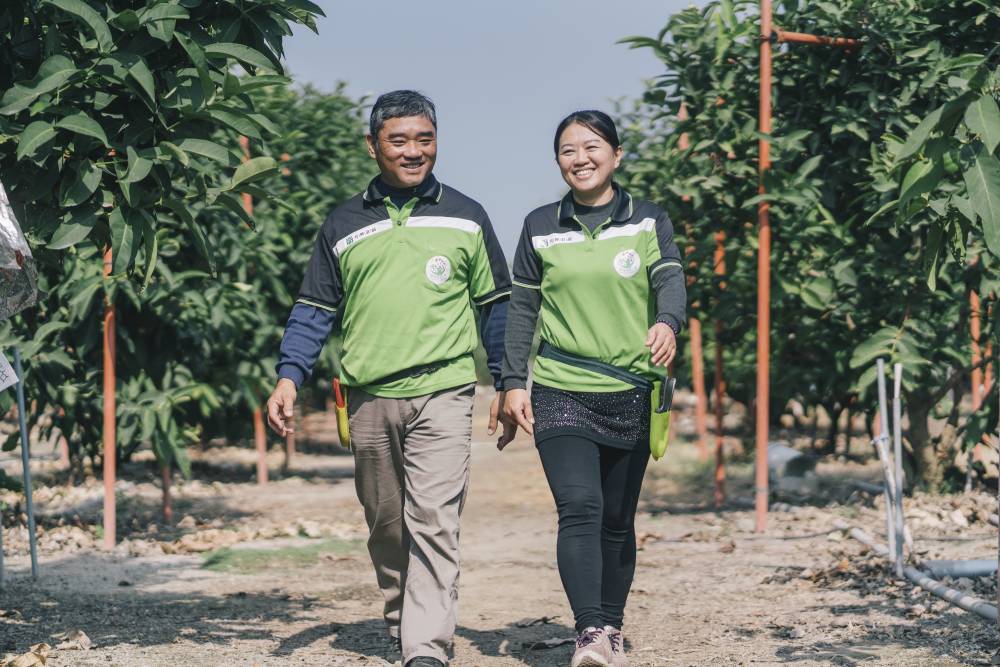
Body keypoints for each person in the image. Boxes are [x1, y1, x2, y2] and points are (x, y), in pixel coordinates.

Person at [266, 90, 513, 667]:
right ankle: (403, 617)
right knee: (386, 523)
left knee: (433, 517)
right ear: (373, 146)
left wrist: (506, 381)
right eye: (399, 140)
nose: (413, 151)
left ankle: (426, 646)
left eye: (424, 139)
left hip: (444, 389)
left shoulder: (468, 216)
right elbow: (313, 310)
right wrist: (288, 378)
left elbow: (496, 306)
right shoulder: (342, 223)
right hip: (369, 397)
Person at [499, 110, 686, 667]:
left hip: (631, 387)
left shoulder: (648, 221)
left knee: (615, 518)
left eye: (591, 146)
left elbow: (669, 280)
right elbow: (523, 310)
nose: (579, 158)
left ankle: (611, 625)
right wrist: (512, 381)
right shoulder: (539, 224)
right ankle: (588, 633)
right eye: (567, 150)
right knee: (578, 506)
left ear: (616, 155)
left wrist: (667, 323)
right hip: (561, 385)